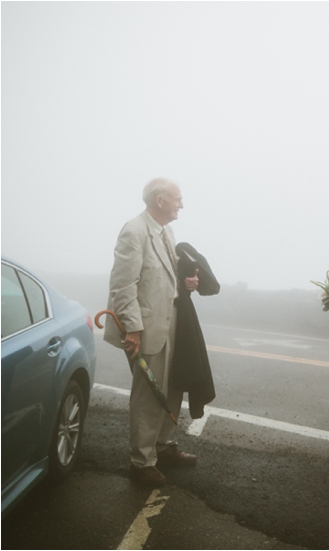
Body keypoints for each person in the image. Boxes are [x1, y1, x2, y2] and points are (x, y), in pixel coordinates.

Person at [103, 178, 200, 487]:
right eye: (177, 199)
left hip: (170, 323)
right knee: (148, 395)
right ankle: (141, 462)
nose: (181, 205)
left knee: (171, 388)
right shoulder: (134, 231)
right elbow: (122, 285)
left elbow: (164, 276)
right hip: (144, 328)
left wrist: (184, 284)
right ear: (160, 201)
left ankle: (161, 447)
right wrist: (132, 329)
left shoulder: (166, 231)